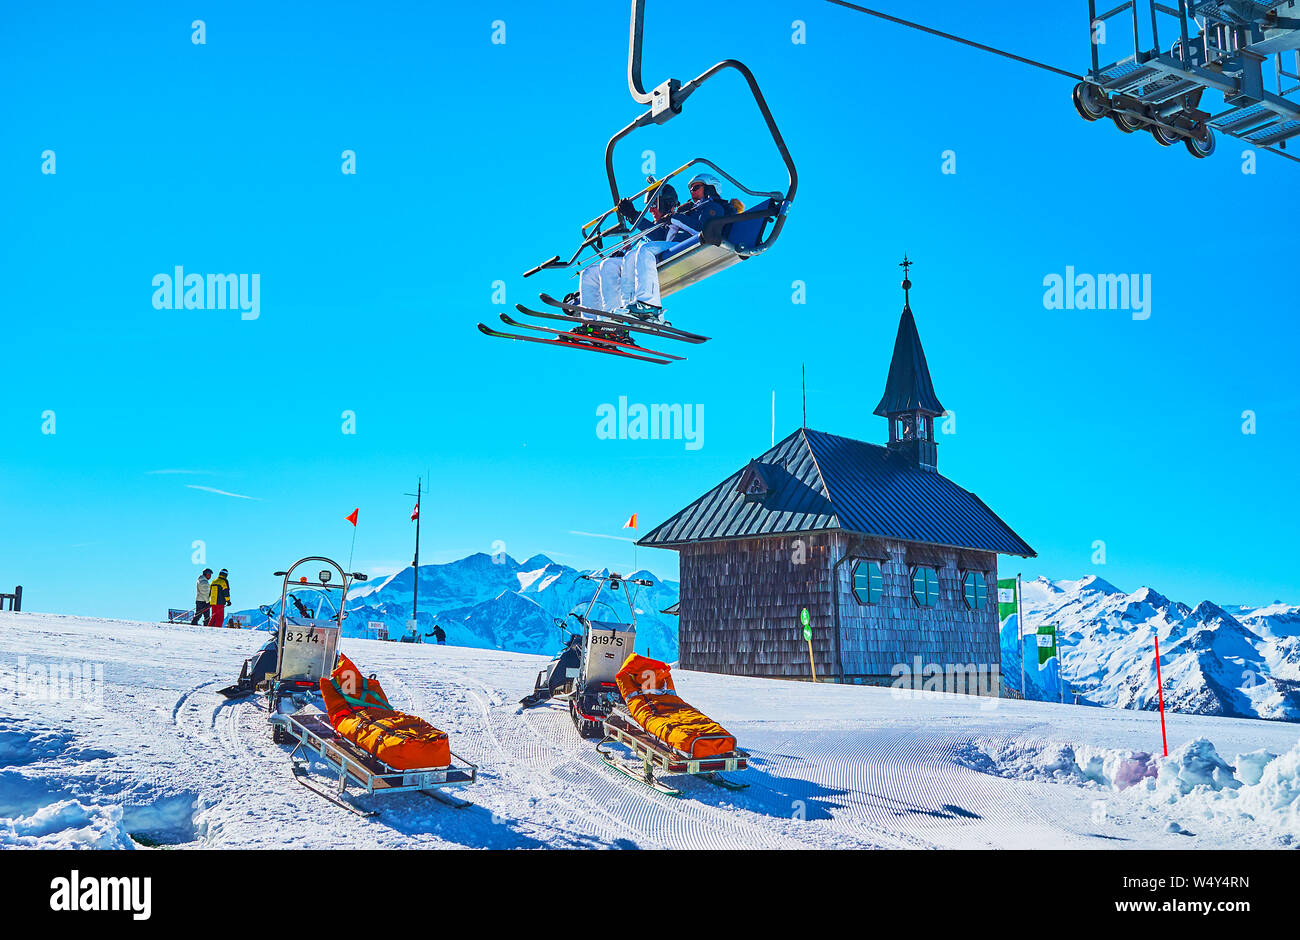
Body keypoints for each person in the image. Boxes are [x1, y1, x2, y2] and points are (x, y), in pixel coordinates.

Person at [577, 180, 682, 320]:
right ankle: (600, 320)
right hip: (637, 260)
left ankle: (635, 309)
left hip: (657, 255)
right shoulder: (648, 229)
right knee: (596, 270)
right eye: (649, 206)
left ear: (667, 204)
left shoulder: (674, 221)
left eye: (654, 205)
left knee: (636, 253)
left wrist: (633, 215)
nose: (650, 210)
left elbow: (661, 237)